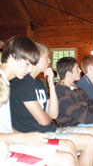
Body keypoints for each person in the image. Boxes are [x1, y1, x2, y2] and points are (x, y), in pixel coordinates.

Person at [10, 42, 93, 166]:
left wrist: (51, 84)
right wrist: (47, 117)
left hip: (49, 129)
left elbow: (53, 114)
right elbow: (44, 121)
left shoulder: (39, 83)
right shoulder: (23, 84)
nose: (49, 61)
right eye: (46, 57)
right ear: (36, 58)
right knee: (88, 142)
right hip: (36, 133)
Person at [0, 35, 77, 166]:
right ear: (13, 57)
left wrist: (27, 138)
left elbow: (5, 127)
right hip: (5, 149)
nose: (29, 70)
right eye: (27, 64)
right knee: (66, 160)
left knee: (67, 154)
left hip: (9, 142)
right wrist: (23, 138)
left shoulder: (6, 83)